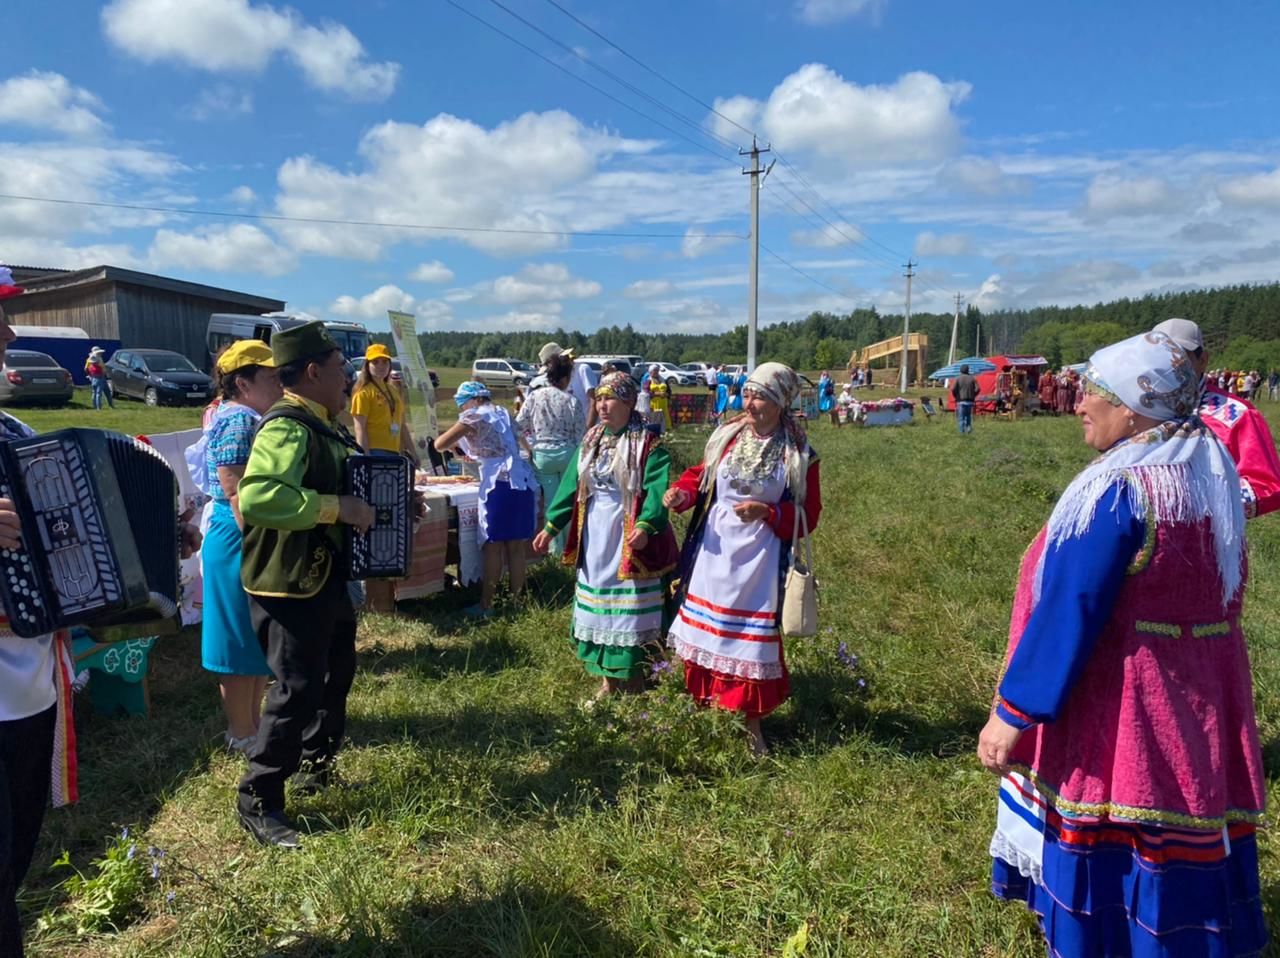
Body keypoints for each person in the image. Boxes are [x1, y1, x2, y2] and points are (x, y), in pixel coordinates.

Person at [979, 330, 1266, 957]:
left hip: (1130, 703)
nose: (1079, 403)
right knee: (1177, 830)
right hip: (1200, 695)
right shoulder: (1206, 471)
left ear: (1133, 406)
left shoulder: (1122, 489)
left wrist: (1014, 712)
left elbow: (1070, 608)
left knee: (1122, 833)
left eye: (1092, 392)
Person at [0, 270, 199, 952]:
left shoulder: (14, 429)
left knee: (13, 862)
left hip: (26, 686)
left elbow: (71, 543)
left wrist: (146, 544)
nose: (7, 336)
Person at [235, 322, 375, 849]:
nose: (349, 380)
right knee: (296, 689)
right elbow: (259, 499)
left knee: (334, 675)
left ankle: (314, 767)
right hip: (287, 583)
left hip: (323, 577)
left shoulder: (325, 426)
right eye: (342, 370)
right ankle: (259, 799)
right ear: (313, 372)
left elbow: (349, 485)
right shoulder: (288, 426)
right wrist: (339, 509)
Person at [663, 363, 822, 756]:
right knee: (707, 633)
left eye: (760, 397)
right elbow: (701, 477)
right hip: (716, 551)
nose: (750, 404)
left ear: (780, 403)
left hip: (760, 559)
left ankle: (752, 728)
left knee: (748, 644)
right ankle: (705, 711)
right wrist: (681, 495)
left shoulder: (798, 452)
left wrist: (769, 513)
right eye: (748, 395)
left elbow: (810, 514)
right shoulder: (728, 438)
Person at [533, 372, 673, 695]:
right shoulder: (592, 439)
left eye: (610, 399)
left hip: (629, 537)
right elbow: (572, 483)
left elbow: (656, 490)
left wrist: (645, 525)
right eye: (599, 399)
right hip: (596, 534)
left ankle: (636, 682)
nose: (602, 405)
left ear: (627, 401)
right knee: (600, 612)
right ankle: (609, 682)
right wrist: (551, 526)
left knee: (630, 615)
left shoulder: (648, 443)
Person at [195, 341, 281, 753]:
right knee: (236, 637)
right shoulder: (242, 420)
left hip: (238, 532)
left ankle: (251, 727)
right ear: (243, 383)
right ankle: (241, 733)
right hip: (237, 534)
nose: (280, 384)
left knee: (249, 636)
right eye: (271, 377)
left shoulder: (241, 415)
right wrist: (262, 542)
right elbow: (235, 488)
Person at [1154, 318, 1280, 518]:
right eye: (1158, 357)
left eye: (1180, 357)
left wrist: (1196, 499)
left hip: (1209, 540)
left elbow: (1267, 486)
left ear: (1202, 360)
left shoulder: (1235, 414)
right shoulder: (1141, 407)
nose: (1168, 366)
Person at [434, 382, 537, 616]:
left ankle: (487, 604)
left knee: (493, 546)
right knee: (516, 547)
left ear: (472, 401)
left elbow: (440, 444)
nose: (461, 410)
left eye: (461, 405)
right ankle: (516, 601)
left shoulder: (473, 415)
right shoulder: (504, 413)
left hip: (497, 484)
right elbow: (523, 445)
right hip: (522, 481)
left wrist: (458, 448)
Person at [515, 352, 584, 557]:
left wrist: (529, 449)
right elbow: (581, 436)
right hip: (569, 455)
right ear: (565, 378)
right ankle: (569, 549)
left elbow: (517, 427)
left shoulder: (534, 397)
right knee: (568, 502)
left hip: (542, 454)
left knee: (551, 503)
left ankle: (554, 549)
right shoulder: (572, 401)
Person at [350, 343, 415, 463]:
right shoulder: (363, 392)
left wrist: (413, 452)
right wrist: (365, 456)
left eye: (385, 362)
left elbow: (402, 425)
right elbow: (360, 427)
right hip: (374, 451)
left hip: (394, 451)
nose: (381, 366)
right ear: (367, 366)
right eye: (375, 362)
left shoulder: (393, 391)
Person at [951, 364, 979, 434]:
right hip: (970, 401)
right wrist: (974, 395)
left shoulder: (958, 378)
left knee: (961, 418)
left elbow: (953, 389)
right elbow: (978, 388)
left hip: (960, 401)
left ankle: (962, 432)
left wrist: (955, 396)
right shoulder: (972, 378)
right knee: (968, 416)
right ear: (967, 370)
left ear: (960, 370)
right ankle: (969, 429)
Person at [646, 366, 671, 433]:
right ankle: (655, 431)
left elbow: (669, 391)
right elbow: (646, 392)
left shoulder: (663, 380)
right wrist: (657, 394)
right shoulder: (648, 380)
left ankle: (665, 430)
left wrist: (666, 394)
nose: (656, 372)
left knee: (664, 415)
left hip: (663, 402)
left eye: (657, 370)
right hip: (653, 403)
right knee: (655, 416)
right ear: (650, 372)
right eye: (655, 370)